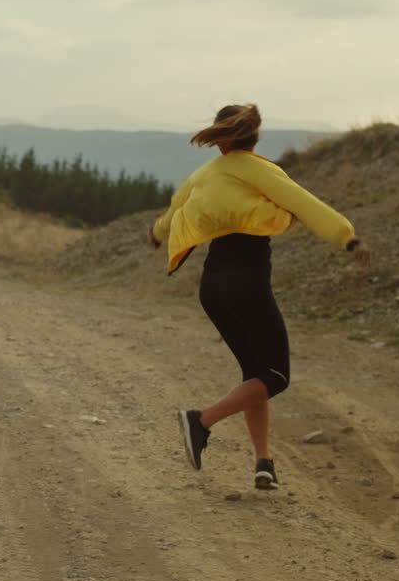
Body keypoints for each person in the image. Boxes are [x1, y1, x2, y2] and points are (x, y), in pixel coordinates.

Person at [146, 104, 370, 490]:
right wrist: (347, 238)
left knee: (255, 375)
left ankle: (264, 462)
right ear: (254, 137)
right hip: (246, 282)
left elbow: (173, 211)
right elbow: (307, 205)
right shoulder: (261, 171)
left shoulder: (205, 174)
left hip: (212, 286)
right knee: (276, 376)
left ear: (221, 140)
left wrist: (156, 233)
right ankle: (200, 422)